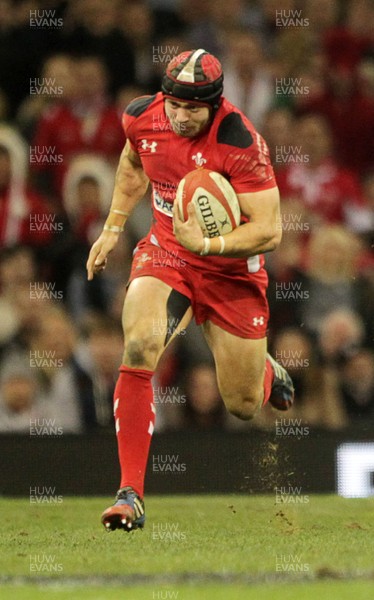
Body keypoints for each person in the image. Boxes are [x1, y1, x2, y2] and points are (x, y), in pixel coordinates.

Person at [86, 49, 294, 532]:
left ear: (215, 105)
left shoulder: (241, 141)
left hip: (231, 271)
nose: (180, 117)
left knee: (242, 405)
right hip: (168, 252)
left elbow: (270, 230)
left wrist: (211, 242)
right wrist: (114, 228)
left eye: (192, 110)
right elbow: (133, 162)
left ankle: (262, 369)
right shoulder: (142, 115)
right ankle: (129, 495)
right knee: (139, 342)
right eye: (174, 106)